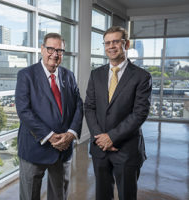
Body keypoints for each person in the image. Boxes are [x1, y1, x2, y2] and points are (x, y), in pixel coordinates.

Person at [84, 26, 152, 200]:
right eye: (107, 43)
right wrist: (100, 137)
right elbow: (89, 107)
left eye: (116, 41)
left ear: (126, 44)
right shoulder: (96, 75)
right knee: (102, 195)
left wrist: (112, 137)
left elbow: (139, 113)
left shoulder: (142, 77)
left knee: (127, 196)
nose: (111, 46)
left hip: (126, 150)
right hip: (100, 148)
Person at [15, 33, 83, 200]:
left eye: (59, 50)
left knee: (59, 195)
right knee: (30, 195)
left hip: (63, 148)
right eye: (51, 49)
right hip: (35, 147)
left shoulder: (69, 75)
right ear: (42, 49)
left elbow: (78, 105)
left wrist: (71, 133)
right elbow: (24, 111)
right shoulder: (26, 75)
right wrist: (50, 136)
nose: (55, 54)